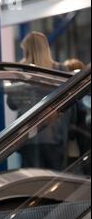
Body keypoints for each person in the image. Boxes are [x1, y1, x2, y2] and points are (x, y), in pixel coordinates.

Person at [7, 31, 71, 170]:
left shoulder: (20, 72)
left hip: (28, 135)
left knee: (32, 182)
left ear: (27, 50)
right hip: (55, 134)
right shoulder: (60, 70)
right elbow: (70, 103)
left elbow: (12, 104)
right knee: (56, 181)